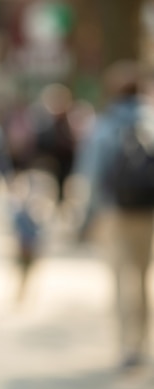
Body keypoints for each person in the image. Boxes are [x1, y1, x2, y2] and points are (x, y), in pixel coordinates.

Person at [73, 59, 154, 371]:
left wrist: (86, 217)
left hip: (115, 212)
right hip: (147, 212)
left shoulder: (105, 124)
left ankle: (126, 347)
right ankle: (143, 343)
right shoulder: (150, 119)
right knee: (144, 277)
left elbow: (91, 175)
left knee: (121, 280)